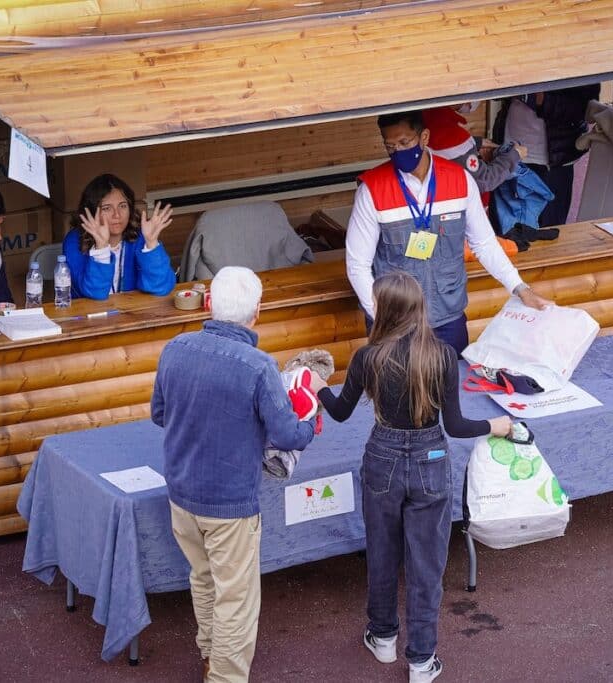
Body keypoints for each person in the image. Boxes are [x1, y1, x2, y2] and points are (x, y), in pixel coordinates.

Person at [311, 271, 512, 683]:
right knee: (427, 564)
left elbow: (340, 411)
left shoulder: (368, 358)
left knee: (381, 552)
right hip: (431, 457)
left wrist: (316, 386)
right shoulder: (441, 356)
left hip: (381, 460)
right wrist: (495, 425)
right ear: (419, 308)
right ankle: (422, 662)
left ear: (384, 310)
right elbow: (455, 426)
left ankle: (383, 637)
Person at [151, 266, 316, 682]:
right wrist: (310, 414)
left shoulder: (175, 348)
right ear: (257, 311)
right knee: (236, 599)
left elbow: (159, 414)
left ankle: (210, 653)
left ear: (208, 302)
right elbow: (287, 434)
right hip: (230, 504)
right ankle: (223, 675)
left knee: (204, 580)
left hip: (181, 494)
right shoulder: (260, 367)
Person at [346, 110, 551, 355]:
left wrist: (520, 288)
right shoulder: (372, 190)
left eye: (404, 142)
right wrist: (380, 316)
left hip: (447, 318)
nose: (398, 152)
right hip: (394, 322)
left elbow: (484, 244)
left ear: (424, 137)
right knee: (397, 393)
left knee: (452, 387)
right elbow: (357, 265)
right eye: (390, 146)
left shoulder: (460, 180)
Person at [495, 85, 600, 227]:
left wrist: (540, 100)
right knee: (503, 232)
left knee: (549, 232)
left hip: (552, 162)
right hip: (508, 154)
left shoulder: (577, 64)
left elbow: (584, 108)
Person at [62, 174, 176, 300]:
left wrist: (151, 244)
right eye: (107, 208)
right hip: (90, 316)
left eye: (122, 206)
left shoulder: (141, 235)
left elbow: (162, 287)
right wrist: (101, 247)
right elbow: (94, 294)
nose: (117, 215)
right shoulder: (74, 241)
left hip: (134, 313)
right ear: (92, 212)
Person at [421, 104, 525, 194]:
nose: (471, 105)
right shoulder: (450, 138)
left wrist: (476, 143)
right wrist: (514, 156)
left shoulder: (427, 118)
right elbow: (485, 180)